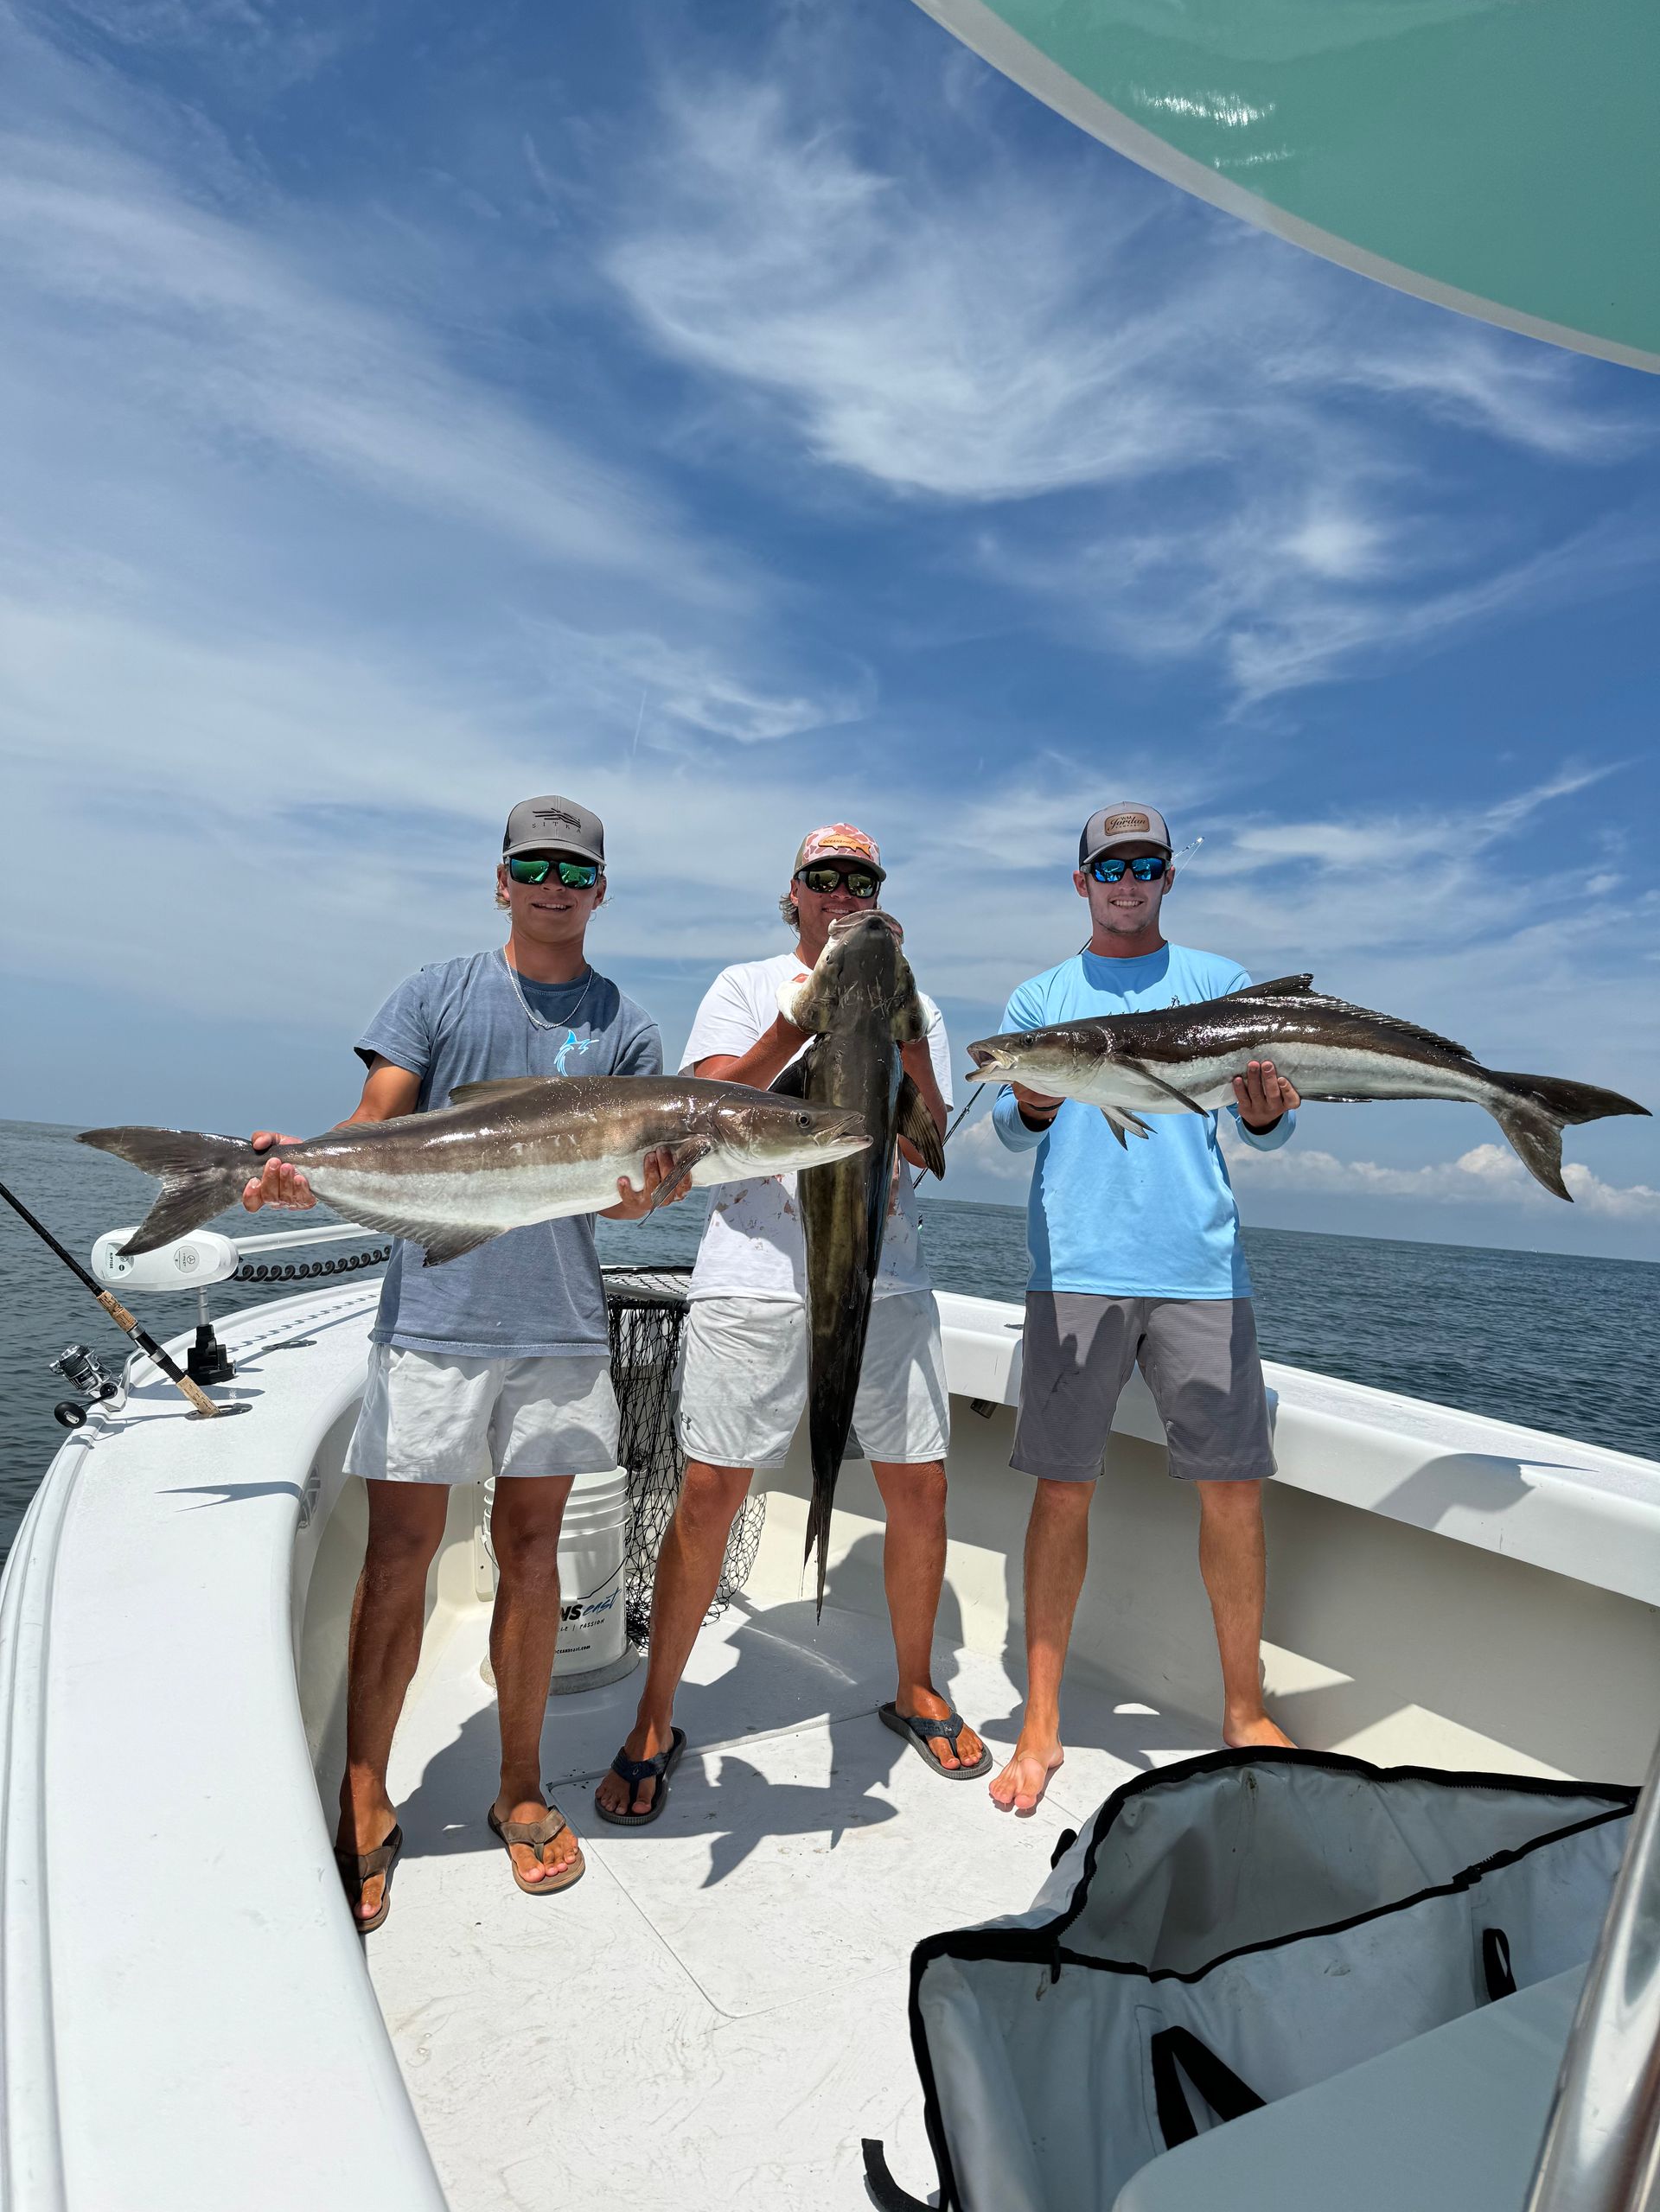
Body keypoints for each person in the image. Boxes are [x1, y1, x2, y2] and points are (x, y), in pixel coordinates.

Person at [245, 794, 682, 1926]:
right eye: (532, 865)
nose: (553, 884)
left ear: (598, 891)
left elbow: (629, 1209)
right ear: (501, 881)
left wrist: (653, 1189)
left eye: (575, 870)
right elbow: (376, 1114)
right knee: (401, 1554)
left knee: (532, 1555)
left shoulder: (629, 1030)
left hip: (558, 1330)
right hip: (435, 1319)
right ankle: (363, 1789)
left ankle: (521, 1787)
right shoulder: (435, 992)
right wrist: (311, 1165)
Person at [593, 824, 988, 1825]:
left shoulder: (923, 1005)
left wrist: (895, 1019)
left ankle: (915, 1685)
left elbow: (931, 1142)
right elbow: (709, 1108)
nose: (841, 892)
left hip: (882, 1275)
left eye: (860, 879)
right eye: (825, 879)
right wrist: (812, 1016)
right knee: (710, 1492)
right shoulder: (743, 984)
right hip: (754, 1277)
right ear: (796, 895)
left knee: (921, 1487)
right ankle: (655, 1715)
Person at [986, 801, 1299, 1817]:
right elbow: (1009, 1122)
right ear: (1081, 881)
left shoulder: (1218, 984)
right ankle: (1042, 1715)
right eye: (1109, 864)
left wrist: (1267, 1113)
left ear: (1167, 877)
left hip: (1202, 1268)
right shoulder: (1043, 995)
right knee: (1063, 1489)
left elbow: (1266, 1125)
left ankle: (1244, 1708)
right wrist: (1032, 1095)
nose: (1128, 877)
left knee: (1234, 1491)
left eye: (1146, 862)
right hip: (1075, 1262)